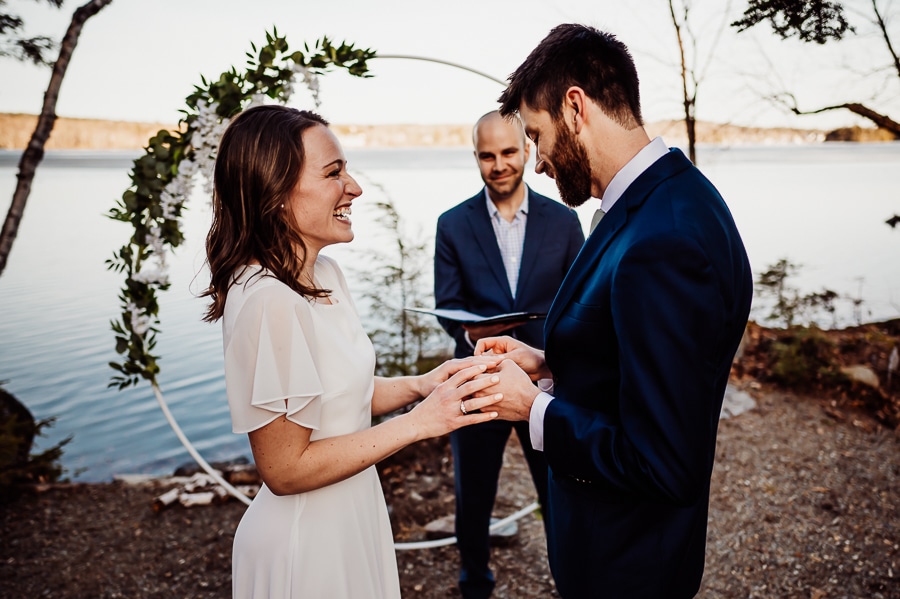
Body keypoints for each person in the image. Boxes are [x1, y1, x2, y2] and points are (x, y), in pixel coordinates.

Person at [473, 24, 753, 598]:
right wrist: (551, 365)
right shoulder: (667, 199)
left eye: (536, 134)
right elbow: (644, 362)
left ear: (575, 108)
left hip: (628, 565)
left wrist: (532, 410)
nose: (538, 161)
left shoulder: (664, 240)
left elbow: (664, 462)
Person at [201, 104, 504, 599]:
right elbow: (284, 468)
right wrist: (423, 421)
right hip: (307, 543)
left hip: (352, 513)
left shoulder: (324, 276)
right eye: (333, 172)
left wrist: (425, 385)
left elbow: (340, 396)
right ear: (276, 193)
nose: (355, 187)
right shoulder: (266, 300)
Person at [433, 110, 584, 598]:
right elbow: (446, 307)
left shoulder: (564, 222)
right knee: (473, 494)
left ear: (526, 151)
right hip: (478, 381)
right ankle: (475, 581)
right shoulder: (451, 224)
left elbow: (579, 304)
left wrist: (545, 357)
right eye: (486, 155)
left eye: (508, 152)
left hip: (545, 381)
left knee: (557, 490)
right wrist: (479, 343)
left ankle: (569, 578)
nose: (498, 165)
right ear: (475, 156)